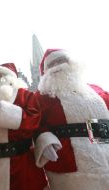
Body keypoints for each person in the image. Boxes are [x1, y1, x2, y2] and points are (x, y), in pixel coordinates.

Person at [34, 49, 109, 190]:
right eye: (53, 64)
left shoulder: (96, 90)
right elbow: (33, 122)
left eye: (61, 61)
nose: (58, 66)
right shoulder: (41, 97)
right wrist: (44, 140)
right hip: (70, 165)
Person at [0, 63, 48, 190]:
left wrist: (7, 112)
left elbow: (34, 119)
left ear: (9, 79)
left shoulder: (24, 95)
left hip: (14, 163)